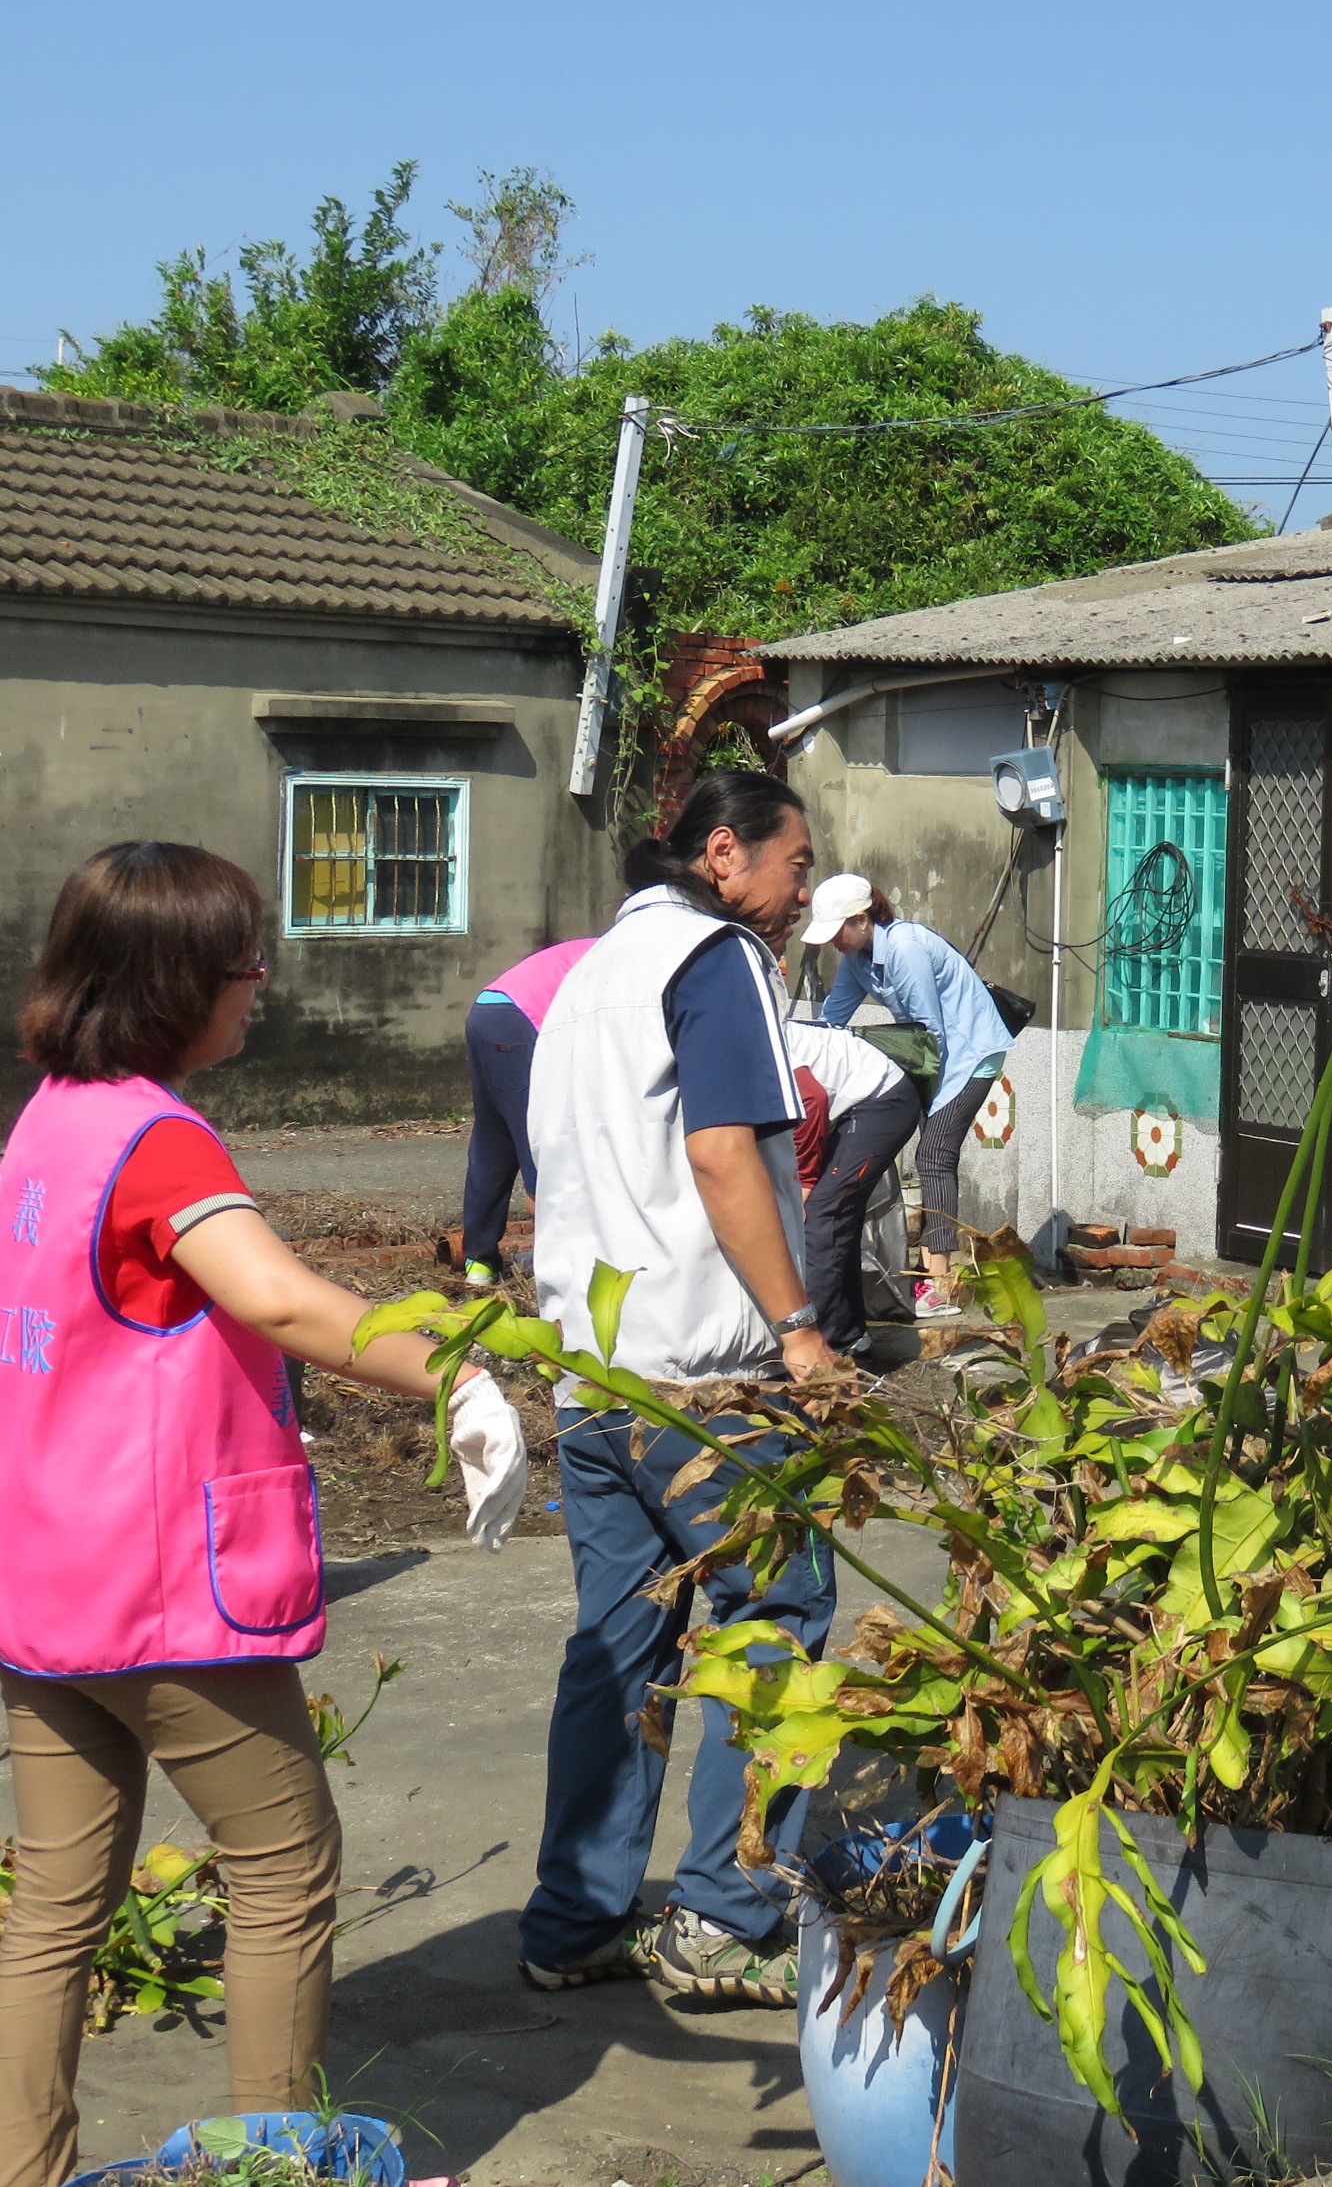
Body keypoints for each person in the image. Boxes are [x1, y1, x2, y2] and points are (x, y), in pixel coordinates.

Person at [0, 842, 527, 2187]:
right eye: (243, 962)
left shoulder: (56, 1114)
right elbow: (275, 1297)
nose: (259, 984)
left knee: (60, 1896)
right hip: (145, 1584)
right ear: (176, 981)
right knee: (283, 1859)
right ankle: (284, 2165)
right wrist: (462, 1374)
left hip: (36, 1572)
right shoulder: (157, 1139)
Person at [516, 772, 842, 2006]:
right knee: (777, 1621)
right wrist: (799, 1329)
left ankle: (572, 1920)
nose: (802, 886)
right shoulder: (717, 961)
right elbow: (720, 1151)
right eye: (793, 861)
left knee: (620, 1646)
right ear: (723, 854)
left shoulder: (584, 976)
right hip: (710, 1379)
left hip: (597, 1372)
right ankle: (726, 1910)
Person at [805, 873, 1016, 1318]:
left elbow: (929, 1029)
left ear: (861, 920)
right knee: (925, 1155)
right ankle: (928, 1274)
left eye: (838, 931)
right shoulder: (857, 958)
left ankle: (938, 1284)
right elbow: (832, 1022)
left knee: (935, 1155)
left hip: (969, 1053)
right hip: (933, 1058)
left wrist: (916, 1096)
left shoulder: (905, 947)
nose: (834, 943)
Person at [462, 935, 599, 1285]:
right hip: (519, 1019)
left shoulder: (598, 946)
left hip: (485, 1010)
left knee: (494, 1139)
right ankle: (557, 1268)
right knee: (541, 1143)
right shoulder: (632, 959)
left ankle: (479, 1262)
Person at [787, 1017, 922, 1357]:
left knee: (822, 1216)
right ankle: (849, 1334)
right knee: (833, 1219)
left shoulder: (752, 1041)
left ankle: (828, 1345)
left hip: (882, 1099)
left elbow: (811, 1099)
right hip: (850, 1103)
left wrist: (804, 1179)